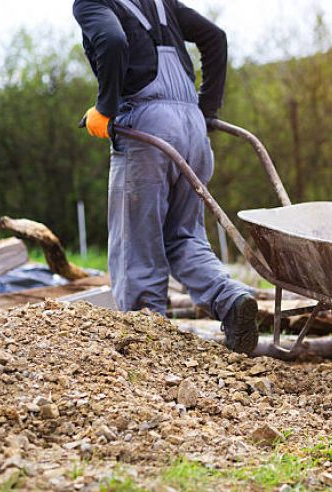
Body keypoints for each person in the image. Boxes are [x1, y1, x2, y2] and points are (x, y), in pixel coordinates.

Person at [74, 0, 259, 354]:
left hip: (147, 125)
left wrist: (105, 108)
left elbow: (112, 41)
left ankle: (146, 345)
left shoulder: (91, 3)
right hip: (193, 130)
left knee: (136, 243)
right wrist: (207, 110)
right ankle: (231, 299)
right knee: (184, 236)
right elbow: (215, 38)